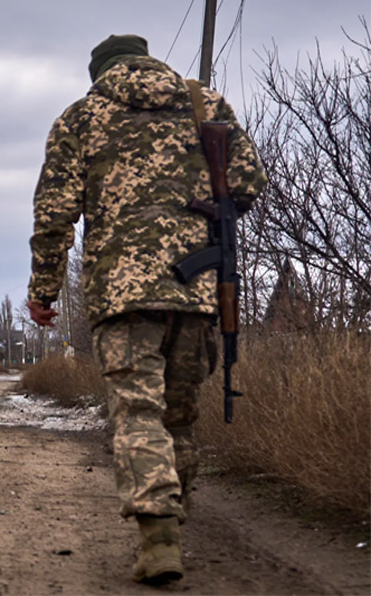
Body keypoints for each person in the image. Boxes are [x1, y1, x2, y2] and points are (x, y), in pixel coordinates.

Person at [26, 35, 266, 584]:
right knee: (178, 416)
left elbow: (54, 215)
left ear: (99, 73)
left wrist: (43, 290)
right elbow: (250, 183)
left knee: (137, 411)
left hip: (122, 294)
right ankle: (174, 518)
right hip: (199, 289)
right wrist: (200, 208)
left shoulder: (81, 116)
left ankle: (159, 536)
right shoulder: (204, 104)